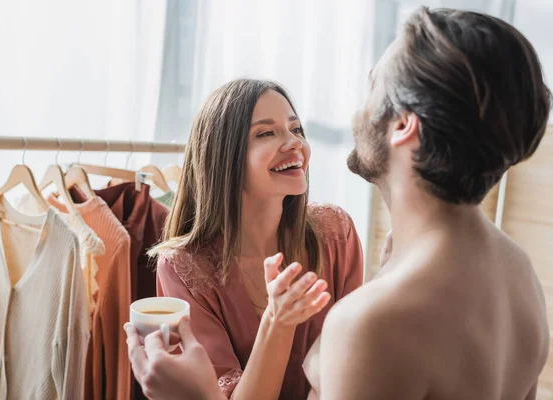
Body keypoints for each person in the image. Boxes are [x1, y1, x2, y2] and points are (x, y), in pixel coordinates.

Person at [125, 6, 551, 400]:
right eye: (267, 132)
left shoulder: (368, 324)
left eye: (371, 87)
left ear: (403, 125)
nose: (356, 112)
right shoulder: (520, 275)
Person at [144, 79, 364, 399]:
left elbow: (352, 365)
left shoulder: (335, 232)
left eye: (296, 129)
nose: (294, 143)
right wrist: (278, 320)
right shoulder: (183, 266)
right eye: (266, 133)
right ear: (223, 156)